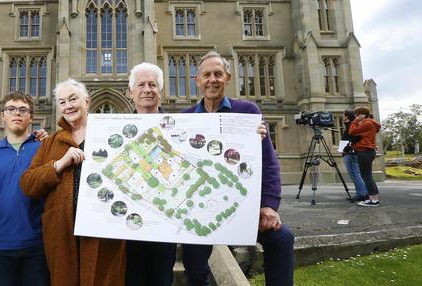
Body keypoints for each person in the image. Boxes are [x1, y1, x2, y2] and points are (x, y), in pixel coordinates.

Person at [181, 51, 294, 286]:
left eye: (218, 74)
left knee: (282, 238)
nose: (213, 79)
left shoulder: (248, 112)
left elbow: (269, 163)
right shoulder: (185, 118)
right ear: (198, 80)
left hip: (240, 208)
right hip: (201, 209)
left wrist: (269, 206)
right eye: (207, 75)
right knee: (194, 258)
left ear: (228, 78)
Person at [20, 79, 126, 286]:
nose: (68, 106)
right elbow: (28, 184)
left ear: (87, 101)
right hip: (62, 232)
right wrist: (59, 164)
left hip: (103, 230)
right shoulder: (51, 142)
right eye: (62, 102)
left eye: (73, 99)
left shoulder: (110, 135)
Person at [0, 91, 50, 286]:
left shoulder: (44, 147)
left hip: (37, 242)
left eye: (23, 110)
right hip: (1, 243)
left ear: (31, 117)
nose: (17, 114)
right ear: (2, 115)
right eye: (11, 109)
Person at [124, 62, 176, 286]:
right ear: (130, 92)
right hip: (128, 223)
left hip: (164, 221)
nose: (147, 89)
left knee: (161, 280)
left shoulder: (179, 128)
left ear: (160, 92)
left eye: (152, 85)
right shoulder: (115, 130)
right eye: (141, 84)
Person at [349, 106, 381, 207]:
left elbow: (352, 131)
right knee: (367, 176)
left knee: (366, 176)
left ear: (362, 115)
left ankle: (373, 200)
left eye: (357, 114)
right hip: (367, 151)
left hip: (364, 151)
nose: (355, 116)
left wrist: (354, 121)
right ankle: (373, 198)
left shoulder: (367, 123)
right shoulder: (369, 123)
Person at [341, 110, 368, 202]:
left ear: (347, 116)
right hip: (351, 152)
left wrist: (347, 148)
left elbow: (357, 137)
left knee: (354, 174)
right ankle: (363, 193)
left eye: (343, 115)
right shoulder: (351, 125)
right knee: (356, 174)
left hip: (351, 153)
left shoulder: (351, 125)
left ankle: (361, 194)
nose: (342, 117)